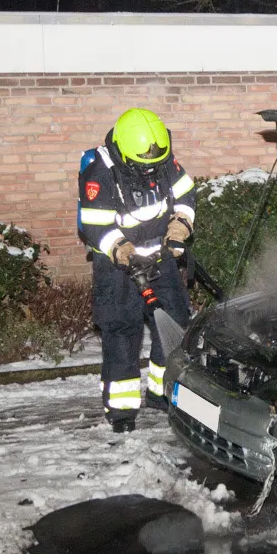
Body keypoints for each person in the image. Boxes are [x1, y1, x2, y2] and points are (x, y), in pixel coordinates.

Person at [76, 108, 195, 432]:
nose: (153, 171)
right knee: (122, 333)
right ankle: (122, 412)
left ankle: (161, 393)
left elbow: (185, 193)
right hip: (117, 267)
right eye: (145, 166)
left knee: (173, 324)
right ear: (127, 155)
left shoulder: (162, 159)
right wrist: (120, 249)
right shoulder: (100, 172)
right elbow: (95, 223)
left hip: (160, 257)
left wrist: (180, 225)